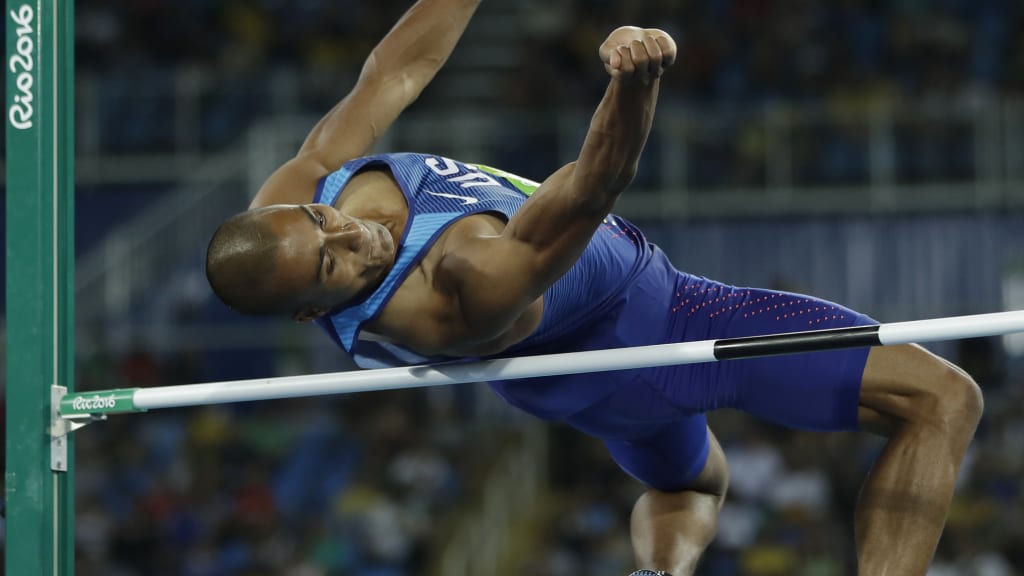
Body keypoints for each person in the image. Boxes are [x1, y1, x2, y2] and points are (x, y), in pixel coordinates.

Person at [205, 1, 983, 574]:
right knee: (942, 399)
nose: (352, 233)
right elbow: (587, 192)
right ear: (312, 307)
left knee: (694, 485)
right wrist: (635, 81)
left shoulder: (286, 208)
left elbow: (394, 72)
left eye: (322, 219)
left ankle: (659, 573)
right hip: (659, 331)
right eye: (335, 264)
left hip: (581, 382)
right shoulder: (455, 290)